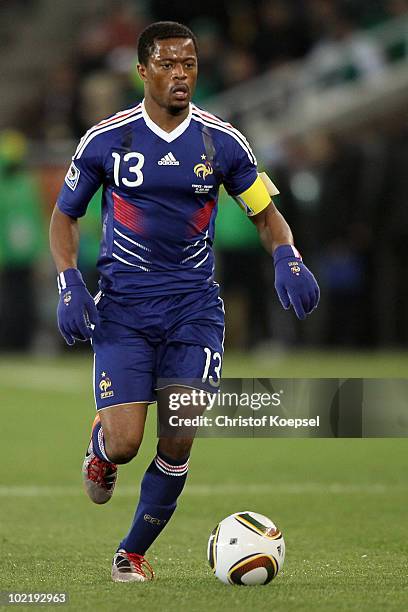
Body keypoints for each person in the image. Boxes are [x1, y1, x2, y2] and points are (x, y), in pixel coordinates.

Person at [49, 21, 319, 583]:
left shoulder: (222, 142)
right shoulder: (108, 140)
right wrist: (70, 281)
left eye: (189, 64)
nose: (181, 75)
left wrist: (287, 256)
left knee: (179, 431)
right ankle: (102, 443)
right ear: (143, 71)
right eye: (168, 65)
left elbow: (265, 214)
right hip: (122, 307)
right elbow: (65, 215)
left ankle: (131, 554)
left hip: (194, 309)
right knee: (126, 446)